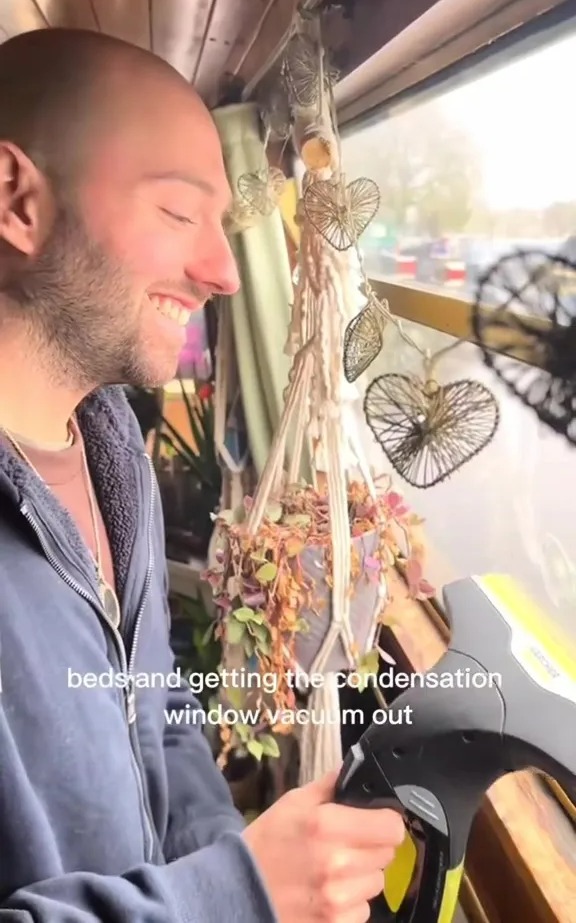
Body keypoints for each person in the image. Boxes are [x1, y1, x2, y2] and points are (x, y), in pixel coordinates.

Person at [0, 26, 406, 923]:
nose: (223, 270)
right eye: (181, 214)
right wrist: (238, 895)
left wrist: (231, 860)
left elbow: (157, 706)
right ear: (15, 200)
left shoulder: (110, 450)